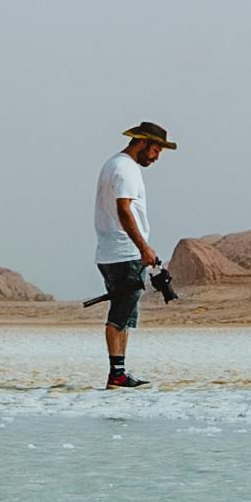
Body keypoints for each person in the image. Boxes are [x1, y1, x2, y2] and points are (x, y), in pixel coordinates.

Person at [93, 120, 176, 390]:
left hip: (113, 251)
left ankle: (119, 372)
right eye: (155, 149)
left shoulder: (114, 164)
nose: (157, 156)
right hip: (124, 252)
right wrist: (143, 248)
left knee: (125, 313)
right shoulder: (126, 168)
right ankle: (116, 375)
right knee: (120, 313)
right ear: (141, 142)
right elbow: (124, 210)